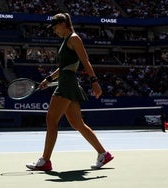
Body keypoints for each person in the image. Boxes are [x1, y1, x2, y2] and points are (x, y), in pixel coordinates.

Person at [26, 13, 114, 171]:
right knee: (77, 123)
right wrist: (48, 79)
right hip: (65, 81)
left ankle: (45, 161)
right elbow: (64, 67)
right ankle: (103, 154)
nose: (54, 31)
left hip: (67, 84)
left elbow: (84, 60)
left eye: (55, 27)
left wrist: (94, 82)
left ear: (62, 23)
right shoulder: (66, 41)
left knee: (51, 120)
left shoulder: (74, 38)